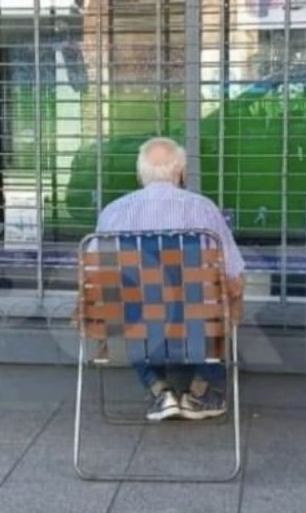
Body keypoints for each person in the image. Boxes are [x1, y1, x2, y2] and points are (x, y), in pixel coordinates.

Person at [95, 137, 245, 422]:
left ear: (140, 174)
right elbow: (234, 278)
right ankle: (201, 390)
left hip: (137, 323)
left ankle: (158, 389)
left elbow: (100, 281)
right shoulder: (203, 209)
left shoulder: (113, 213)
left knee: (125, 303)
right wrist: (234, 306)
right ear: (182, 173)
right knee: (225, 300)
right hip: (196, 322)